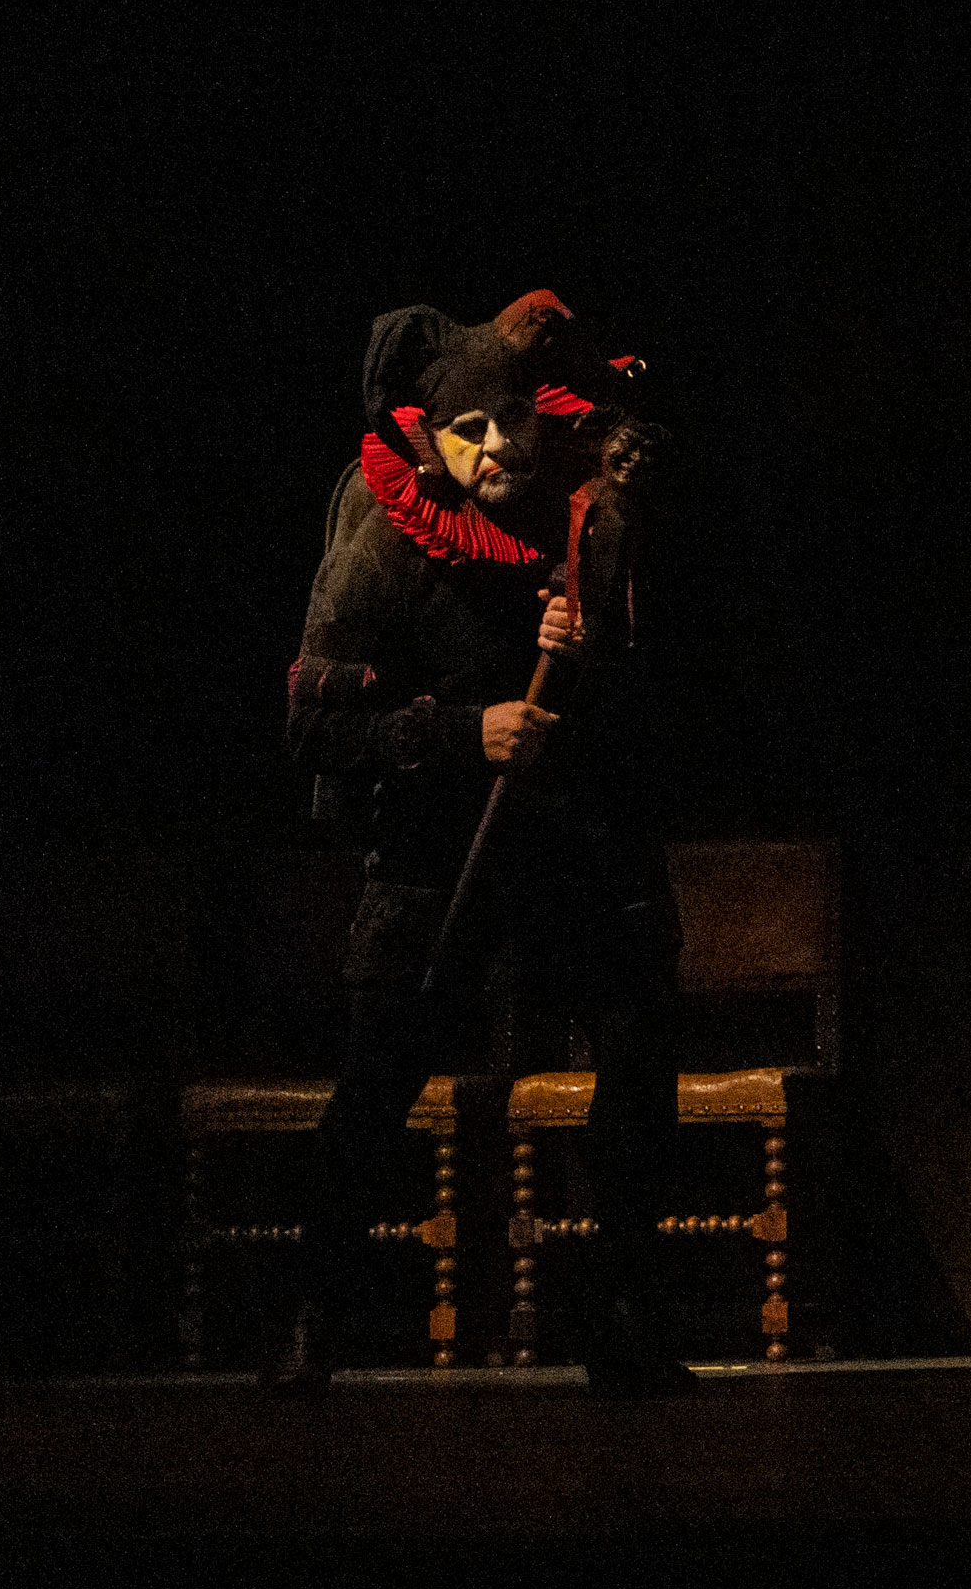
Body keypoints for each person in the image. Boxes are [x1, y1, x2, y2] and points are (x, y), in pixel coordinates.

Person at [270, 291, 694, 1394]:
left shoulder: (577, 512)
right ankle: (316, 1319)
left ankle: (623, 1316)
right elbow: (311, 717)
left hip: (562, 840)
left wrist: (588, 643)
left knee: (637, 1037)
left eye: (518, 423)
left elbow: (646, 696)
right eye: (475, 428)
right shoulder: (382, 534)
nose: (503, 447)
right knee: (376, 1078)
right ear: (433, 425)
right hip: (431, 846)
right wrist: (463, 731)